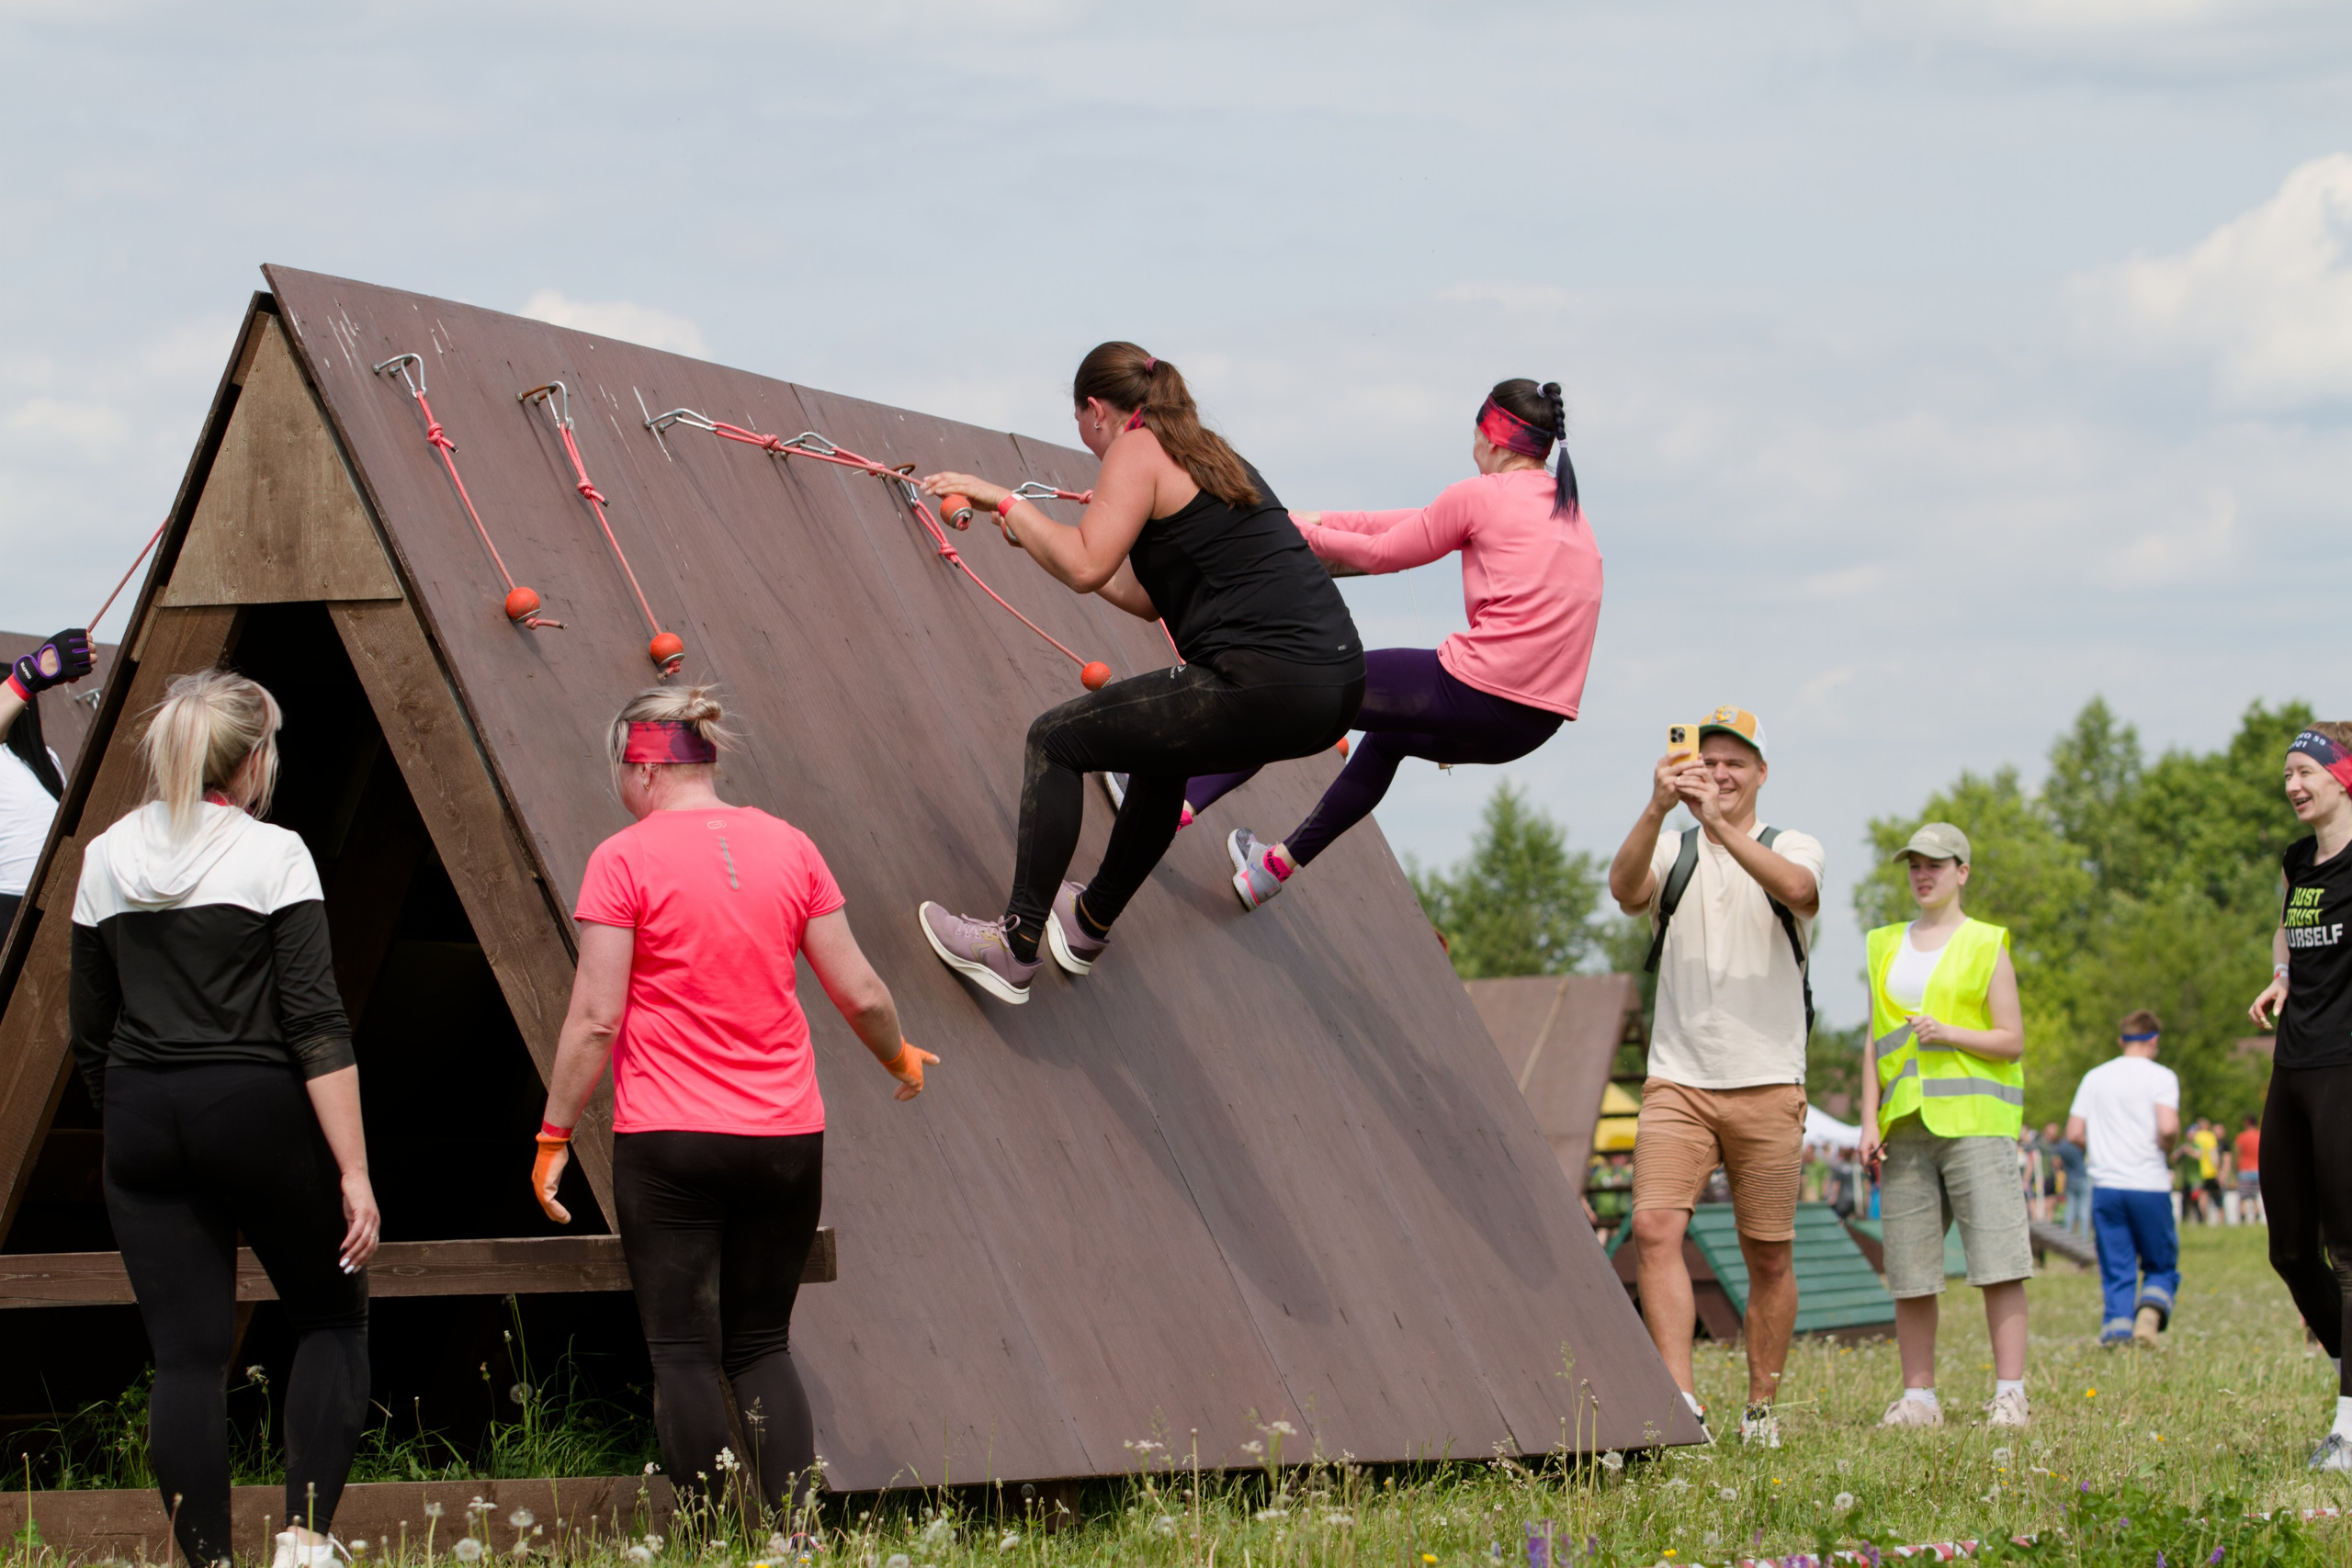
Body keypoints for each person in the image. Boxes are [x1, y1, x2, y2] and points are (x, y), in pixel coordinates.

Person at [531, 686, 932, 1519]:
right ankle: (793, 1538)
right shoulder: (789, 845)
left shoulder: (624, 857)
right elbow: (857, 989)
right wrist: (898, 1054)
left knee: (681, 1352)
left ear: (640, 765)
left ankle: (719, 1539)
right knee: (761, 1345)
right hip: (786, 1136)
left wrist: (554, 1131)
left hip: (672, 1139)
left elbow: (597, 1019)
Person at [910, 344, 1363, 1002]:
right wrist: (1041, 534)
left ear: (1097, 410)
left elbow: (1086, 564)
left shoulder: (1136, 446)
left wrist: (1007, 503)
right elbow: (1144, 593)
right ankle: (1088, 921)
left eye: (1080, 423)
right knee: (1161, 751)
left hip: (1267, 676)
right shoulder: (1209, 452)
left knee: (1056, 740)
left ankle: (1013, 946)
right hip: (1334, 683)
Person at [68, 671, 378, 1568]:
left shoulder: (107, 856)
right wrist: (353, 1171)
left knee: (186, 1359)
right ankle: (304, 1545)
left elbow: (89, 1028)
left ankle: (207, 1562)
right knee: (331, 1318)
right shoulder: (273, 854)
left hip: (139, 1111)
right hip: (251, 1107)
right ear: (250, 761)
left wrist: (129, 1115)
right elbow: (316, 1023)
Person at [1158, 378, 1600, 910]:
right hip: (1528, 727)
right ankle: (1270, 870)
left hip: (1476, 689)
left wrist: (1290, 533)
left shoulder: (1482, 495)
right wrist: (1314, 521)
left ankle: (1174, 805)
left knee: (1293, 692)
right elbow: (1411, 523)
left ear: (1493, 437)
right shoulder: (1567, 510)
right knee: (1389, 739)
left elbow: (1381, 555)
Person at [1606, 706, 1823, 1446]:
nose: (1721, 773)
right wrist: (1658, 806)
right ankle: (1679, 1400)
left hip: (1767, 1079)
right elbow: (1625, 889)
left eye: (1736, 762)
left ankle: (1761, 1406)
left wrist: (1722, 826)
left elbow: (1801, 890)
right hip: (1678, 1080)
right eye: (1710, 760)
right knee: (1654, 1227)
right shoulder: (1674, 848)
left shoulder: (1791, 842)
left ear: (1762, 772)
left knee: (1768, 1250)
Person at [1857, 824, 2032, 1431]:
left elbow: (2011, 1040)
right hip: (1903, 1125)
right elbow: (1873, 1040)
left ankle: (2010, 1394)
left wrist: (1949, 1032)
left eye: (1936, 863)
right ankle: (1919, 1399)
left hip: (1977, 1123)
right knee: (1909, 1269)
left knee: (1998, 1262)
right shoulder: (1883, 943)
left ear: (1963, 870)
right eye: (1914, 864)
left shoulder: (1987, 943)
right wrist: (1866, 1117)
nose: (1923, 874)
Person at [2245, 723, 2352, 1471]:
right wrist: (2281, 976)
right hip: (2294, 1065)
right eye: (2287, 773)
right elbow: (2289, 932)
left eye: (2306, 770)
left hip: (2348, 1064)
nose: (2293, 784)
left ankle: (2349, 1421)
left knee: (2349, 1249)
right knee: (2289, 1246)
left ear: (2344, 776)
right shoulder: (2296, 863)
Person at [2066, 1009, 2180, 1350]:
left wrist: (2100, 1149)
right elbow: (2169, 1127)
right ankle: (2148, 1318)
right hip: (2149, 1183)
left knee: (2117, 1264)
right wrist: (2167, 1148)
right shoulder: (2161, 1077)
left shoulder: (2095, 1077)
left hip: (2107, 1186)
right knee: (2160, 1262)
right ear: (2154, 1040)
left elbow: (2074, 1131)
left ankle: (2117, 1332)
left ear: (2121, 1040)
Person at [1, 627, 95, 931]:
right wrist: (33, 673)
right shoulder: (37, 762)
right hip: (30, 902)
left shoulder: (43, 761)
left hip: (43, 901)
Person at [2045, 1117, 2090, 1241]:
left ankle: (2067, 1237)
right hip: (2083, 1178)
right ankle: (2084, 1238)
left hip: (2069, 1179)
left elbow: (2056, 1163)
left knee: (2069, 1208)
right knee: (2083, 1210)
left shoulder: (2061, 1146)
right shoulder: (2080, 1143)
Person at [2235, 1113, 2265, 1225]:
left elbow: (2238, 1154)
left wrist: (2235, 1169)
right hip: (2258, 1171)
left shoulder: (2241, 1137)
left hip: (2244, 1170)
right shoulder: (2260, 1135)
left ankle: (2243, 1219)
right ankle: (2256, 1218)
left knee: (2243, 1197)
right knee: (2254, 1197)